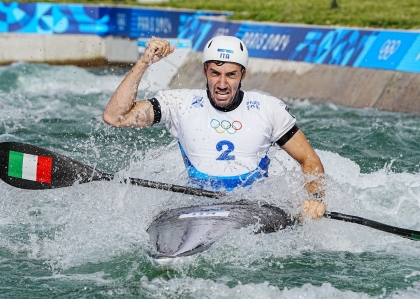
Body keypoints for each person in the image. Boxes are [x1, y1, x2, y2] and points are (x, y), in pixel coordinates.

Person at [103, 36, 326, 218]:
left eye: (231, 75)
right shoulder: (180, 104)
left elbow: (309, 160)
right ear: (205, 72)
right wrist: (144, 63)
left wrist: (315, 200)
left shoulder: (268, 109)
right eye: (215, 74)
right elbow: (115, 117)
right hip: (197, 204)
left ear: (243, 75)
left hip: (253, 207)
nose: (222, 84)